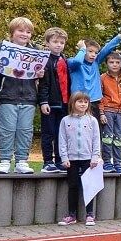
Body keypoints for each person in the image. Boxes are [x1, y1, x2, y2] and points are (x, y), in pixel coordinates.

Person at [0, 17, 38, 174]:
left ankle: (22, 160)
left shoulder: (35, 49)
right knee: (7, 129)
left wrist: (40, 73)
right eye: (20, 30)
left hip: (29, 97)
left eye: (28, 32)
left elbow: (40, 72)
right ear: (12, 33)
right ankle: (4, 160)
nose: (24, 34)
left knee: (25, 130)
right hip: (7, 95)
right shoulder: (2, 47)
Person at [57, 91, 102, 226]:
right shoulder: (65, 120)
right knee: (73, 186)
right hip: (72, 159)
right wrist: (64, 157)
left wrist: (95, 156)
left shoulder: (92, 120)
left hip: (88, 158)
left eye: (85, 102)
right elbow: (62, 140)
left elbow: (96, 140)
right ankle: (72, 215)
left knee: (89, 186)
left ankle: (89, 214)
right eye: (80, 101)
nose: (83, 104)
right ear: (73, 103)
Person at [66, 29, 121, 125]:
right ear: (83, 51)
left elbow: (107, 49)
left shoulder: (95, 62)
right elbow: (78, 61)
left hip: (94, 101)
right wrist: (82, 48)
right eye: (90, 51)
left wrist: (120, 36)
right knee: (78, 127)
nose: (93, 55)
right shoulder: (72, 62)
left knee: (95, 128)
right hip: (78, 101)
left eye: (95, 52)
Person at [37, 27, 71, 173]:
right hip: (50, 102)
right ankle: (47, 161)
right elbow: (43, 84)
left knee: (61, 134)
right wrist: (43, 101)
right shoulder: (45, 61)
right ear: (47, 43)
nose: (58, 45)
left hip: (64, 102)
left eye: (61, 42)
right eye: (55, 42)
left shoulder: (64, 60)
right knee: (48, 132)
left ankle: (59, 160)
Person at [99, 51, 121, 173]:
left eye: (117, 62)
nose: (114, 65)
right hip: (107, 110)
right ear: (107, 63)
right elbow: (99, 96)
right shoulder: (102, 78)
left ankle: (117, 163)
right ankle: (107, 162)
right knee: (107, 137)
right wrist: (101, 112)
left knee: (118, 137)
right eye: (111, 62)